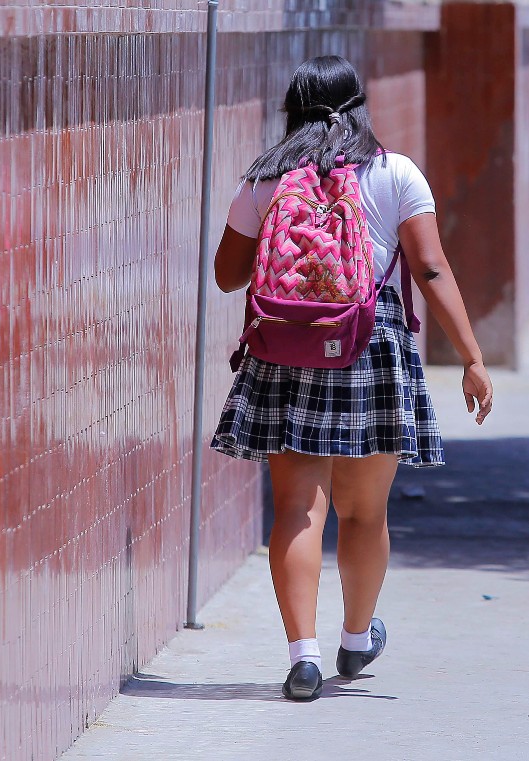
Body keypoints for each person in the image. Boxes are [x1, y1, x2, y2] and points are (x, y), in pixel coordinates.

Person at [210, 55, 494, 701]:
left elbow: (228, 275)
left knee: (296, 508)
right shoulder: (395, 173)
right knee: (364, 512)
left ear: (293, 109)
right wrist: (471, 357)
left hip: (288, 349)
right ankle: (357, 638)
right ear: (360, 106)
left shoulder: (266, 179)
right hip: (372, 345)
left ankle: (303, 656)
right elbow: (431, 268)